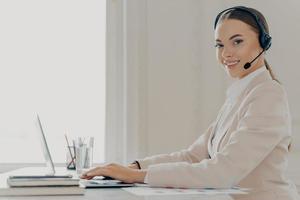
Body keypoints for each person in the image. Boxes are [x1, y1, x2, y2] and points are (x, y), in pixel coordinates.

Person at [81, 6, 299, 199]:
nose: (226, 53)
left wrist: (136, 176)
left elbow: (223, 171)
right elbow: (193, 156)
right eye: (219, 45)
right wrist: (133, 166)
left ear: (263, 42)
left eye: (237, 41)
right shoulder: (240, 95)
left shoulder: (268, 95)